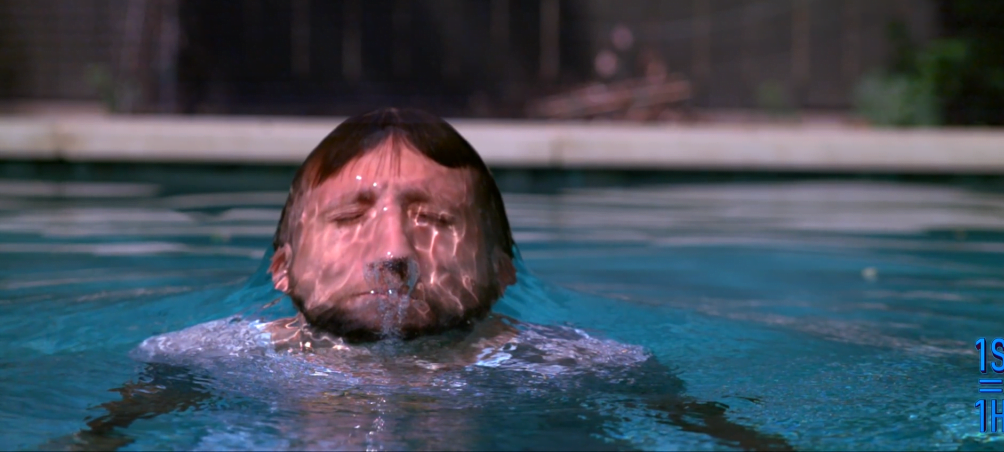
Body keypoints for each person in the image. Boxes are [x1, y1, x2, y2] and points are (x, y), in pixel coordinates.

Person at [59, 108, 792, 451]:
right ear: (282, 266)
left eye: (436, 220)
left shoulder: (590, 372)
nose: (394, 250)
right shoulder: (196, 360)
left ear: (502, 268)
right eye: (349, 218)